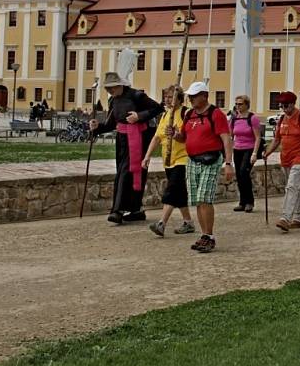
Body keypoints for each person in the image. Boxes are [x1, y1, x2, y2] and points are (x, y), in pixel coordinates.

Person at [90, 72, 163, 224]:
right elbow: (111, 124)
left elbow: (157, 108)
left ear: (120, 84)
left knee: (126, 173)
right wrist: (97, 128)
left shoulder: (137, 96)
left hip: (139, 138)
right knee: (126, 172)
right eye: (107, 88)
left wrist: (139, 116)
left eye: (112, 88)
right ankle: (136, 210)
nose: (109, 91)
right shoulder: (113, 100)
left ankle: (117, 210)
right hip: (122, 140)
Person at [170, 82, 234, 253]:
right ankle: (204, 234)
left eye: (194, 96)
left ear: (204, 95)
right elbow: (183, 137)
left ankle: (209, 235)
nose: (190, 99)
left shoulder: (216, 114)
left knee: (205, 197)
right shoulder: (189, 114)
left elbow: (226, 139)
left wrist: (228, 163)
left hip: (210, 160)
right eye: (190, 96)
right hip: (192, 161)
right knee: (197, 199)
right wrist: (175, 135)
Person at [142, 85, 196, 237]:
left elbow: (188, 136)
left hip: (183, 158)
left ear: (179, 99)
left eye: (171, 96)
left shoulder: (186, 114)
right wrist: (147, 156)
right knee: (179, 192)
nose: (167, 99)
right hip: (168, 159)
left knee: (172, 189)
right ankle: (188, 222)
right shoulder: (166, 115)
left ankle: (161, 223)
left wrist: (177, 135)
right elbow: (157, 137)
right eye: (165, 96)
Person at [263, 91, 300, 233]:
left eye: (286, 105)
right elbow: (277, 139)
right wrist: (267, 152)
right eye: (282, 106)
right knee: (295, 189)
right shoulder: (281, 119)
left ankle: (285, 218)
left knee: (291, 187)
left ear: (293, 104)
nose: (284, 108)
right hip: (285, 159)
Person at [229, 95, 261, 213]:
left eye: (240, 104)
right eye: (236, 104)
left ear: (246, 105)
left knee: (244, 172)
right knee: (239, 175)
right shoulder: (234, 119)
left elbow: (258, 137)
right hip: (237, 149)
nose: (238, 106)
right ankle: (242, 202)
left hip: (249, 148)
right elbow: (231, 135)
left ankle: (249, 202)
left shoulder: (252, 118)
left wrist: (254, 153)